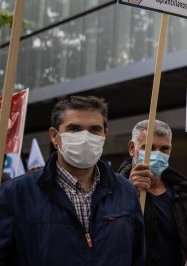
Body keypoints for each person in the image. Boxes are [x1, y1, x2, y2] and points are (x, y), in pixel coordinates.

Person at [0, 96, 145, 265]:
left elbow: (137, 257)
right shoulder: (15, 194)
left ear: (105, 134)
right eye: (74, 129)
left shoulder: (125, 191)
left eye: (94, 130)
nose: (85, 137)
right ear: (55, 136)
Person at [117, 119, 187, 266]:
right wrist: (129, 193)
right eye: (149, 147)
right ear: (132, 148)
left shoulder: (184, 195)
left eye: (164, 149)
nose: (157, 154)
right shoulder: (112, 192)